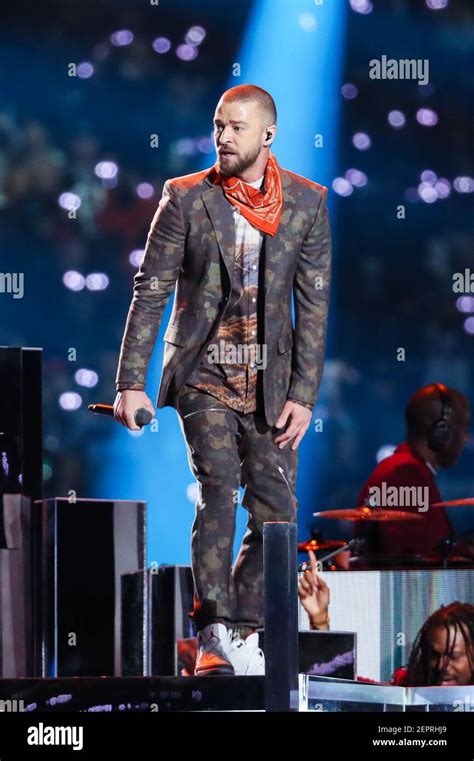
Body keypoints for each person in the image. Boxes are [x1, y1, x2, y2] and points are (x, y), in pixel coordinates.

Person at [113, 84, 332, 675]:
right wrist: (131, 381)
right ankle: (212, 632)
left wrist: (305, 395)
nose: (223, 137)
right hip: (203, 373)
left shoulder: (307, 205)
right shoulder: (185, 198)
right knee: (219, 488)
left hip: (272, 381)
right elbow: (151, 290)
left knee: (277, 512)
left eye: (236, 127)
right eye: (217, 125)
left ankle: (245, 627)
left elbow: (313, 305)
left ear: (267, 135)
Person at [298, 550, 474, 686]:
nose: (442, 666)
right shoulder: (411, 688)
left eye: (453, 656)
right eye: (435, 655)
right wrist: (319, 619)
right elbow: (344, 688)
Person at [355, 383, 471, 558]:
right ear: (442, 432)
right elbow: (407, 558)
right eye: (462, 428)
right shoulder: (404, 474)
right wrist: (466, 552)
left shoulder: (412, 471)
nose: (465, 438)